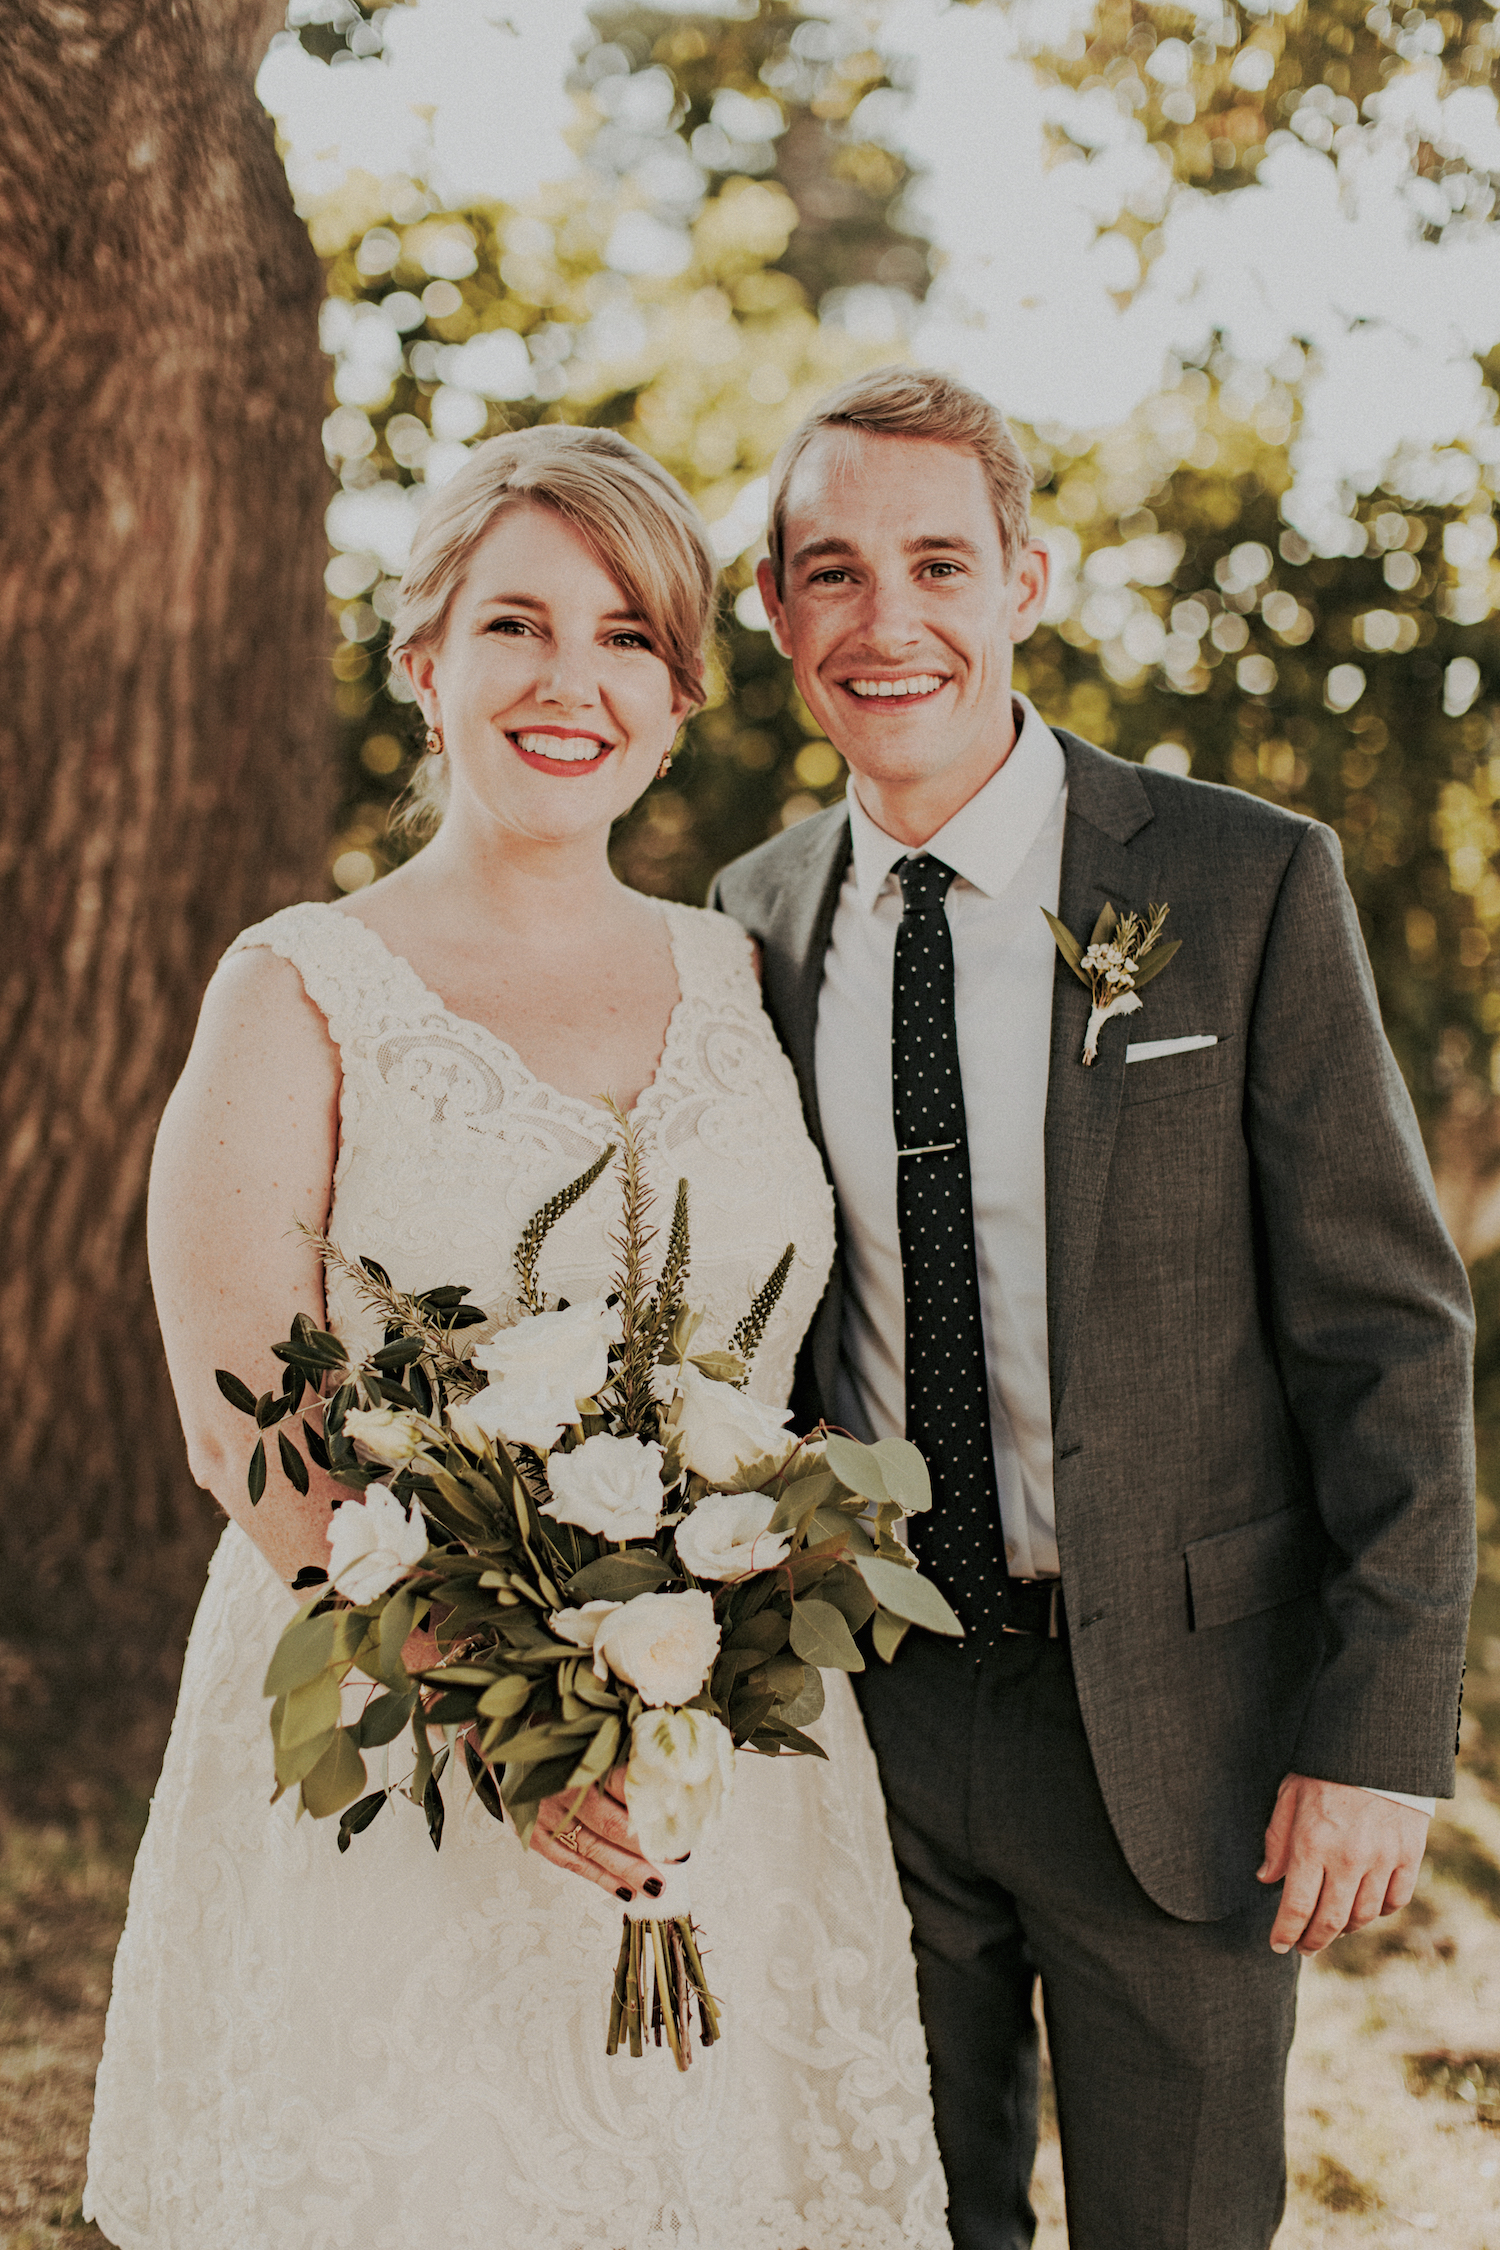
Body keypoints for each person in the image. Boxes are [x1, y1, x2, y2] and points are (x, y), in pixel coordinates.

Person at [85, 425, 950, 2250]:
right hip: (402, 1736)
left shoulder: (741, 968)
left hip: (726, 1758)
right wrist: (514, 1718)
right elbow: (241, 1420)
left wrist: (709, 1640)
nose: (575, 682)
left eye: (630, 636)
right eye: (516, 626)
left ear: (682, 693)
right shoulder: (302, 982)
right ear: (423, 658)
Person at [710, 367, 1476, 2250]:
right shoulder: (748, 915)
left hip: (1183, 1713)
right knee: (896, 2210)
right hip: (870, 1710)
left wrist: (1378, 1730)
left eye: (937, 564)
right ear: (774, 613)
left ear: (1028, 579)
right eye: (829, 573)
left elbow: (1388, 1333)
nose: (885, 622)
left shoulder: (1238, 880)